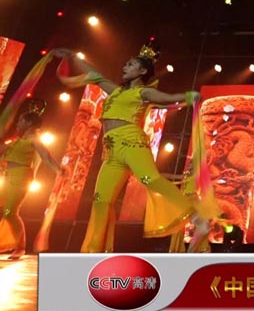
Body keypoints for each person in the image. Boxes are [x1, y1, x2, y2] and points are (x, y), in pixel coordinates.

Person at [53, 40, 209, 253]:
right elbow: (96, 75)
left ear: (142, 71)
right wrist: (71, 57)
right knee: (101, 199)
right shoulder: (116, 91)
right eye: (125, 64)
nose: (125, 67)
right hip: (111, 151)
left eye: (130, 64)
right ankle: (93, 250)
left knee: (151, 179)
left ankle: (197, 218)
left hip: (132, 143)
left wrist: (189, 96)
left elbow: (168, 98)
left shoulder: (143, 92)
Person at [0, 100, 64, 259]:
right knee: (5, 211)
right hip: (8, 176)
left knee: (10, 212)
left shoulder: (35, 139)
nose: (18, 124)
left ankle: (20, 247)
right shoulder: (18, 140)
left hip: (20, 178)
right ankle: (12, 244)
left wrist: (59, 170)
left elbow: (46, 156)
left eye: (20, 121)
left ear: (29, 123)